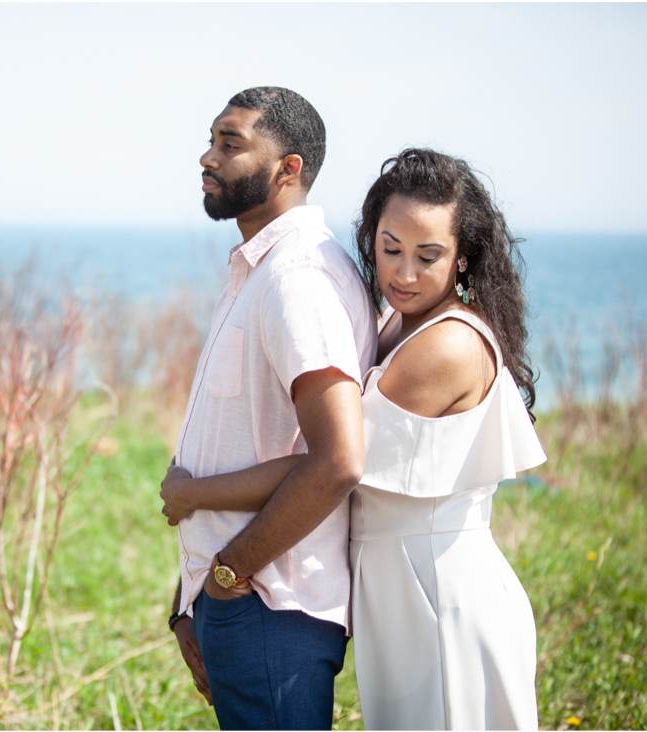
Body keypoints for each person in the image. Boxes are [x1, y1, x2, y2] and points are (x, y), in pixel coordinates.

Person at [162, 148, 545, 730]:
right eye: (390, 249)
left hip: (441, 593)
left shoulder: (447, 346)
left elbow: (333, 463)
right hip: (399, 591)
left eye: (429, 256)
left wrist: (195, 497)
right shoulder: (395, 325)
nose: (403, 274)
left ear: (463, 260)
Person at [163, 86, 377, 730]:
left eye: (231, 144)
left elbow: (338, 460)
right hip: (240, 600)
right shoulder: (263, 270)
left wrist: (229, 575)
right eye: (211, 139)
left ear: (290, 169)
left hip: (269, 604)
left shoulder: (298, 281)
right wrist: (193, 596)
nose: (208, 156)